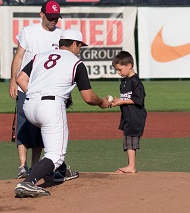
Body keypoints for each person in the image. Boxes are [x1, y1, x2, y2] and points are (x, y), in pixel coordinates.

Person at [14, 29, 111, 198]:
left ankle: (62, 172)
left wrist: (35, 93)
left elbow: (20, 78)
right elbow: (88, 97)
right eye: (80, 45)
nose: (80, 49)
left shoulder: (40, 56)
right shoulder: (76, 62)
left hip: (29, 105)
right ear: (74, 44)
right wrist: (102, 102)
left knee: (54, 140)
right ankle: (28, 183)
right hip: (50, 106)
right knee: (55, 154)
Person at [8, 0, 78, 181]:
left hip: (49, 89)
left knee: (41, 129)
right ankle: (23, 166)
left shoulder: (62, 35)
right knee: (24, 126)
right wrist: (12, 82)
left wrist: (67, 93)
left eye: (56, 17)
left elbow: (65, 63)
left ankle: (37, 166)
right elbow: (19, 57)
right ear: (41, 14)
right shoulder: (29, 32)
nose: (54, 20)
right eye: (50, 17)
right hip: (26, 85)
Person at [111, 51, 147, 174]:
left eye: (120, 69)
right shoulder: (124, 81)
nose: (118, 72)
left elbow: (139, 99)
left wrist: (122, 101)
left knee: (130, 139)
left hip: (135, 115)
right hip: (127, 115)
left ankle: (131, 166)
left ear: (129, 65)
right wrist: (118, 101)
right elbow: (126, 99)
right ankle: (130, 165)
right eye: (117, 70)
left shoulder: (135, 81)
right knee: (128, 139)